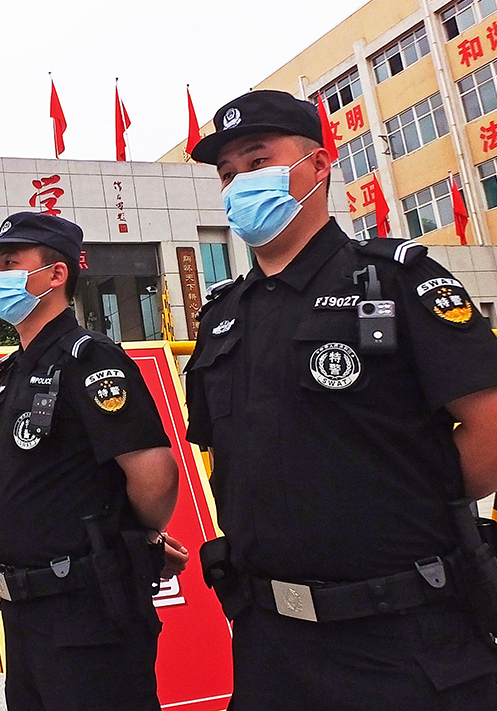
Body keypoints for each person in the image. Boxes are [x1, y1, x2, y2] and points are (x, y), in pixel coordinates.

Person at [185, 89, 497, 710]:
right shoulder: (222, 317)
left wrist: (404, 493)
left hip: (401, 635)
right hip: (269, 643)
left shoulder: (397, 281)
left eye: (257, 161)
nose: (240, 182)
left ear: (319, 164)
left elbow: (489, 423)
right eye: (228, 175)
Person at [0, 211, 187, 711]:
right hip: (26, 615)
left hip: (86, 617)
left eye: (10, 263)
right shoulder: (18, 367)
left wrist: (141, 535)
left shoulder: (89, 358)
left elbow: (154, 473)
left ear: (56, 274)